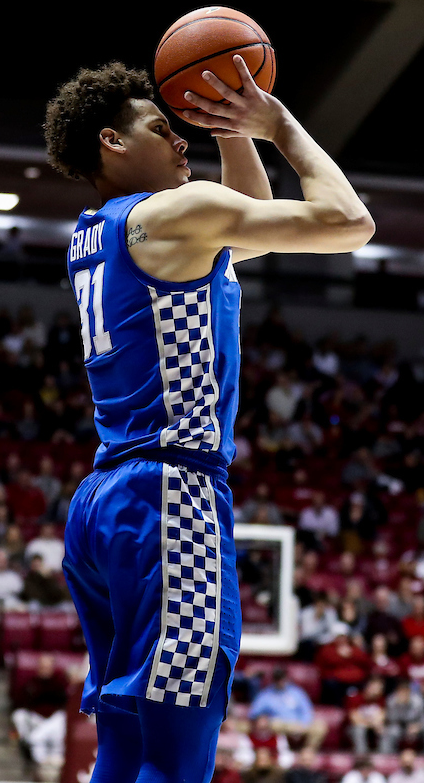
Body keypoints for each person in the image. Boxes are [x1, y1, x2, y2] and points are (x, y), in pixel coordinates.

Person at [48, 50, 374, 783]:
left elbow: (244, 220)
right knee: (178, 753)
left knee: (124, 744)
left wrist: (230, 126)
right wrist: (275, 123)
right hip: (172, 496)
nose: (179, 138)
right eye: (161, 127)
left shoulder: (100, 231)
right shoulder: (176, 214)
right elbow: (350, 223)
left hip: (106, 502)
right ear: (111, 141)